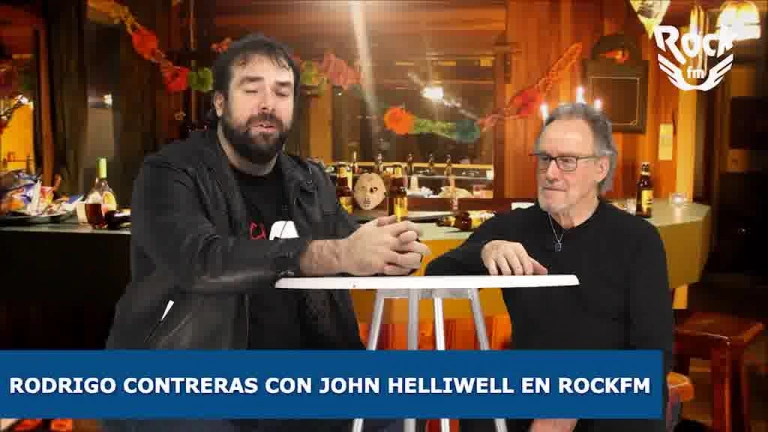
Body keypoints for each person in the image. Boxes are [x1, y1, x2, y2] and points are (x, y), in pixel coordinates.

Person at [104, 33, 429, 432]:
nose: (267, 104)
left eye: (281, 91)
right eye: (251, 89)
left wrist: (393, 251)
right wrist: (330, 254)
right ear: (220, 102)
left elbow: (352, 249)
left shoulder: (310, 180)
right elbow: (201, 262)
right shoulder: (170, 172)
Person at [426, 103, 673, 432]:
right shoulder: (512, 228)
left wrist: (568, 407)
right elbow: (436, 277)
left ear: (600, 167)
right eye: (544, 159)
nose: (550, 173)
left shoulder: (638, 239)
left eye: (567, 161)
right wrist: (485, 251)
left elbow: (654, 355)